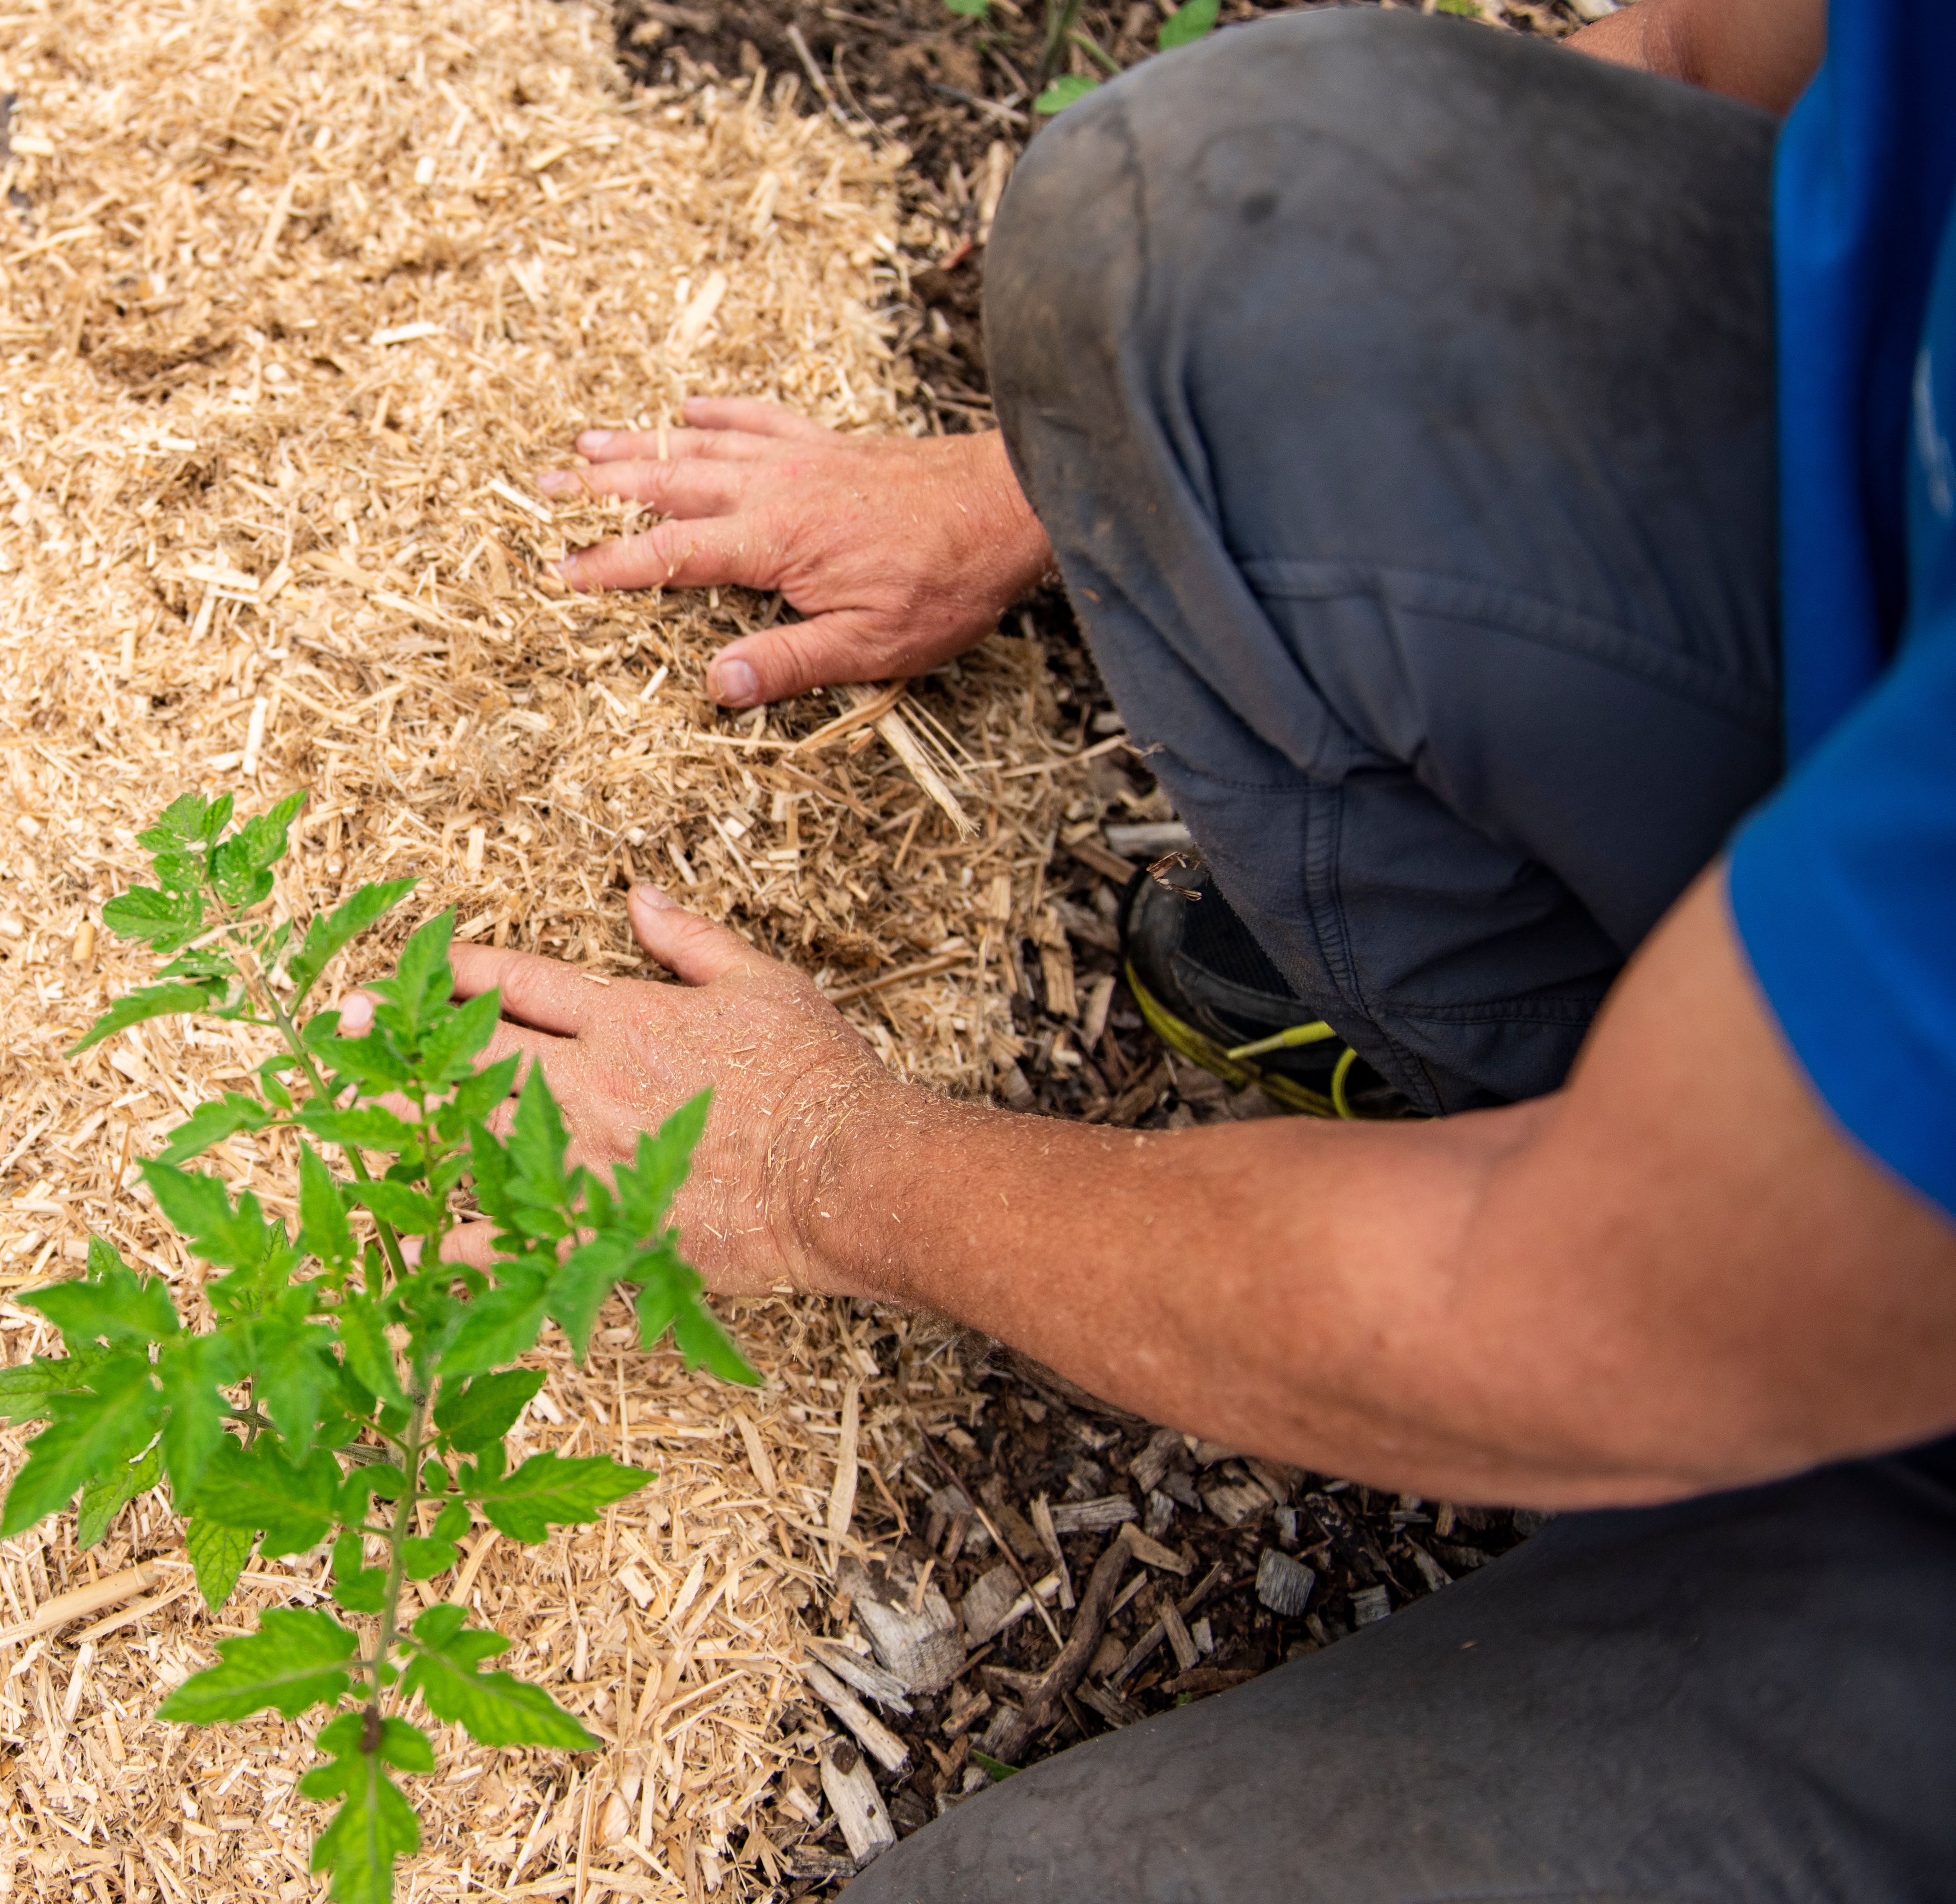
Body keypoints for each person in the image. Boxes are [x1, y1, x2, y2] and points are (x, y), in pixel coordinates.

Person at [481, 0, 1956, 1887]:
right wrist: (1037, 482)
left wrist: (810, 1162)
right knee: (1196, 225)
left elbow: (1562, 1298)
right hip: (1834, 1080)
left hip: (1731, 1317)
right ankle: (1638, 1054)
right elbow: (1699, 42)